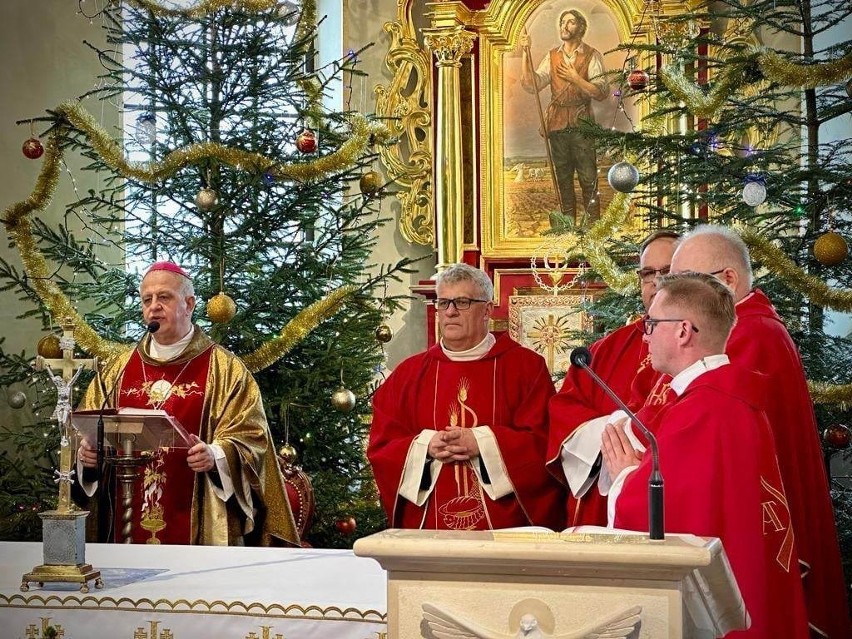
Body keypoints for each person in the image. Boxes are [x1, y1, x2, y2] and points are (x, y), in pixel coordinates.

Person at [665, 225, 850, 637]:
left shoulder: (748, 334)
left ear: (727, 280)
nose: (675, 301)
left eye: (687, 284)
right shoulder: (750, 326)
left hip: (753, 518)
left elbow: (706, 428)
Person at [603, 272, 810, 638]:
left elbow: (666, 510)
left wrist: (624, 479)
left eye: (651, 322)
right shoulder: (725, 398)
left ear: (683, 331)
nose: (645, 334)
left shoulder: (704, 412)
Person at [76, 261, 298, 546]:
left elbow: (252, 439)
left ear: (189, 304)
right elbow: (85, 431)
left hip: (201, 520)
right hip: (125, 519)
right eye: (147, 299)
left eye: (164, 297)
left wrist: (216, 455)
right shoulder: (117, 369)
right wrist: (89, 459)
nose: (153, 307)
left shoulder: (225, 369)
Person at [367, 263, 565, 530]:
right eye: (444, 303)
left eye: (462, 302)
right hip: (429, 531)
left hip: (506, 529)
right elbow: (382, 448)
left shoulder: (525, 368)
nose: (450, 312)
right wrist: (426, 446)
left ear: (487, 310)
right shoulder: (409, 374)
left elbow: (545, 443)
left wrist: (482, 443)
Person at [546, 230, 678, 527]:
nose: (656, 282)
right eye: (647, 273)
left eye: (667, 272)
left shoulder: (697, 341)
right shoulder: (605, 350)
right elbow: (564, 411)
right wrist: (612, 432)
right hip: (602, 504)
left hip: (670, 496)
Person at [520, 9, 608, 222]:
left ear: (581, 28)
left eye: (570, 22)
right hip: (558, 123)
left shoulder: (592, 55)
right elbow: (532, 84)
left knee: (588, 177)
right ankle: (567, 225)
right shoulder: (552, 56)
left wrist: (576, 78)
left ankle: (593, 226)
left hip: (582, 123)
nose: (564, 26)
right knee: (563, 178)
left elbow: (602, 92)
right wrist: (525, 52)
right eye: (562, 22)